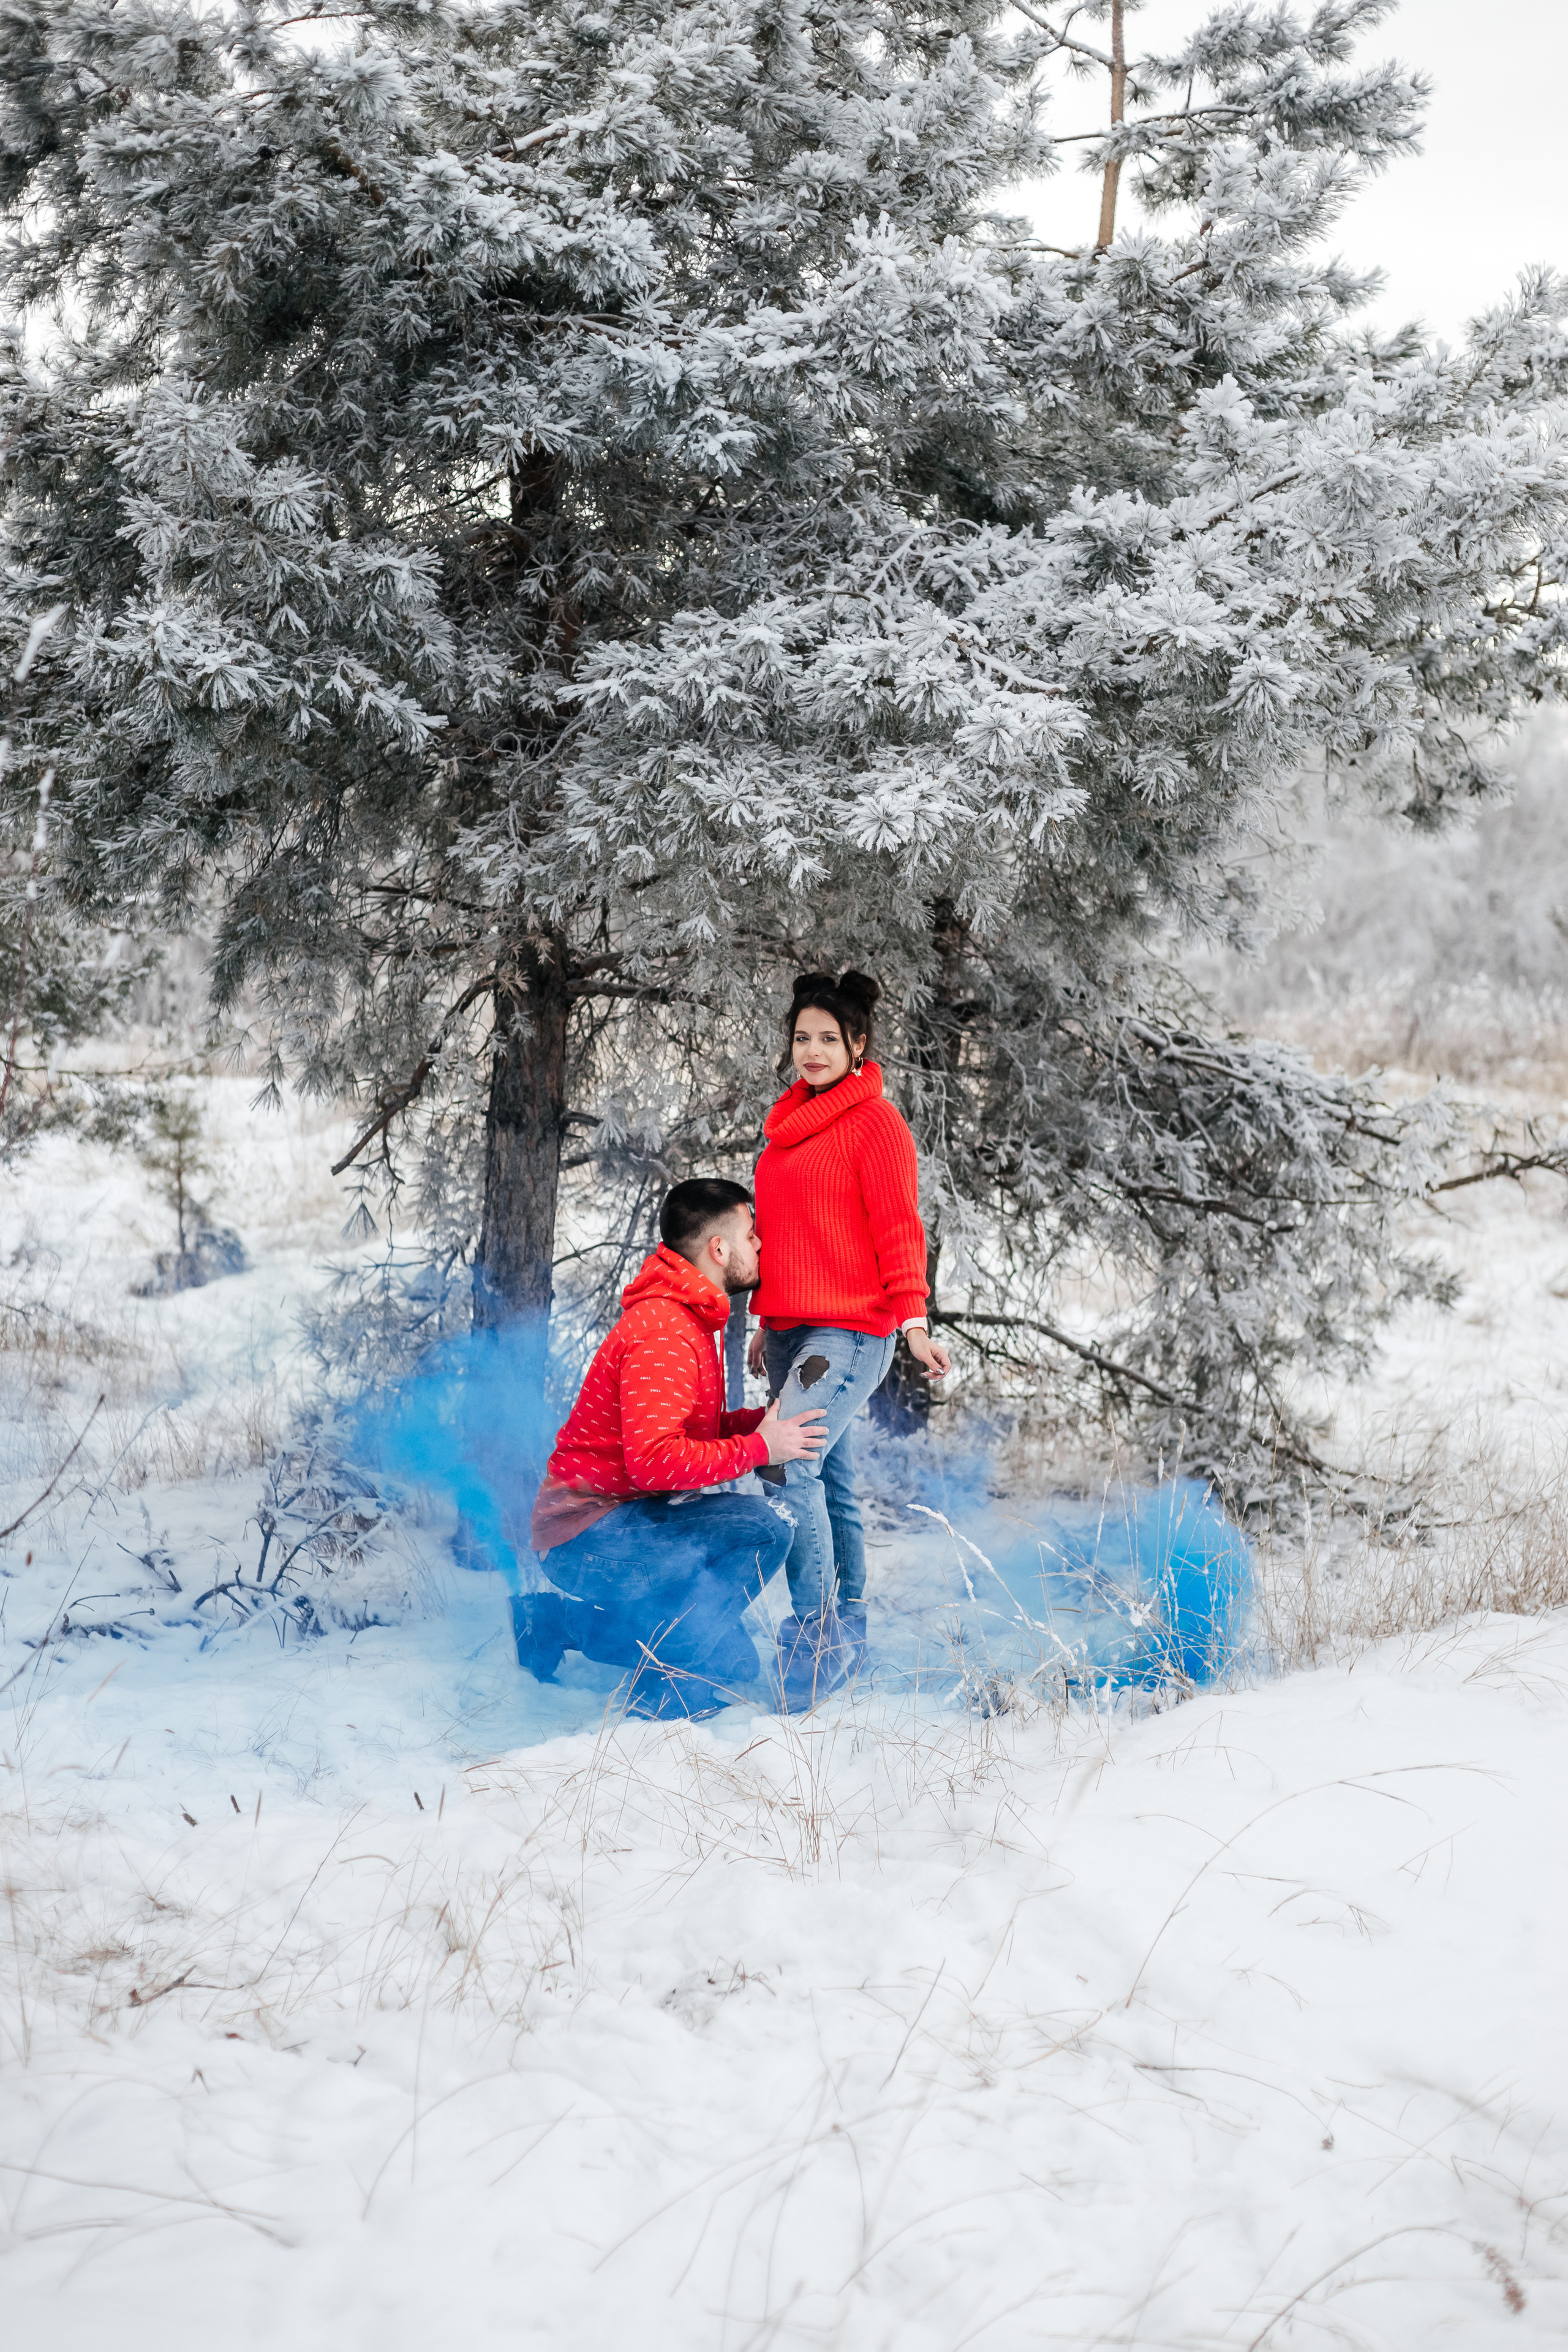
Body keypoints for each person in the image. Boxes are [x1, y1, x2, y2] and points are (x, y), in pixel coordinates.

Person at [516, 1178, 827, 1718]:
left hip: (625, 1520)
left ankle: (555, 1624)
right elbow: (656, 1461)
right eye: (752, 1234)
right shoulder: (665, 1329)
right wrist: (759, 1447)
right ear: (719, 1249)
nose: (760, 1246)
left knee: (733, 1664)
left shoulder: (686, 1318)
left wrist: (763, 1423)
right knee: (767, 1529)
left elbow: (691, 1430)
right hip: (585, 1535)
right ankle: (665, 1687)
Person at [747, 970, 951, 1701]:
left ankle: (816, 1636)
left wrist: (914, 1323)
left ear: (857, 1044)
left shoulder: (877, 1125)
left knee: (790, 1466)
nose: (811, 1050)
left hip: (847, 1330)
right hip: (789, 1329)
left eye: (827, 1039)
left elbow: (899, 1227)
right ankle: (851, 1624)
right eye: (801, 1038)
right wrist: (764, 1318)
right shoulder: (781, 1130)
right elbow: (778, 1234)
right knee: (827, 1472)